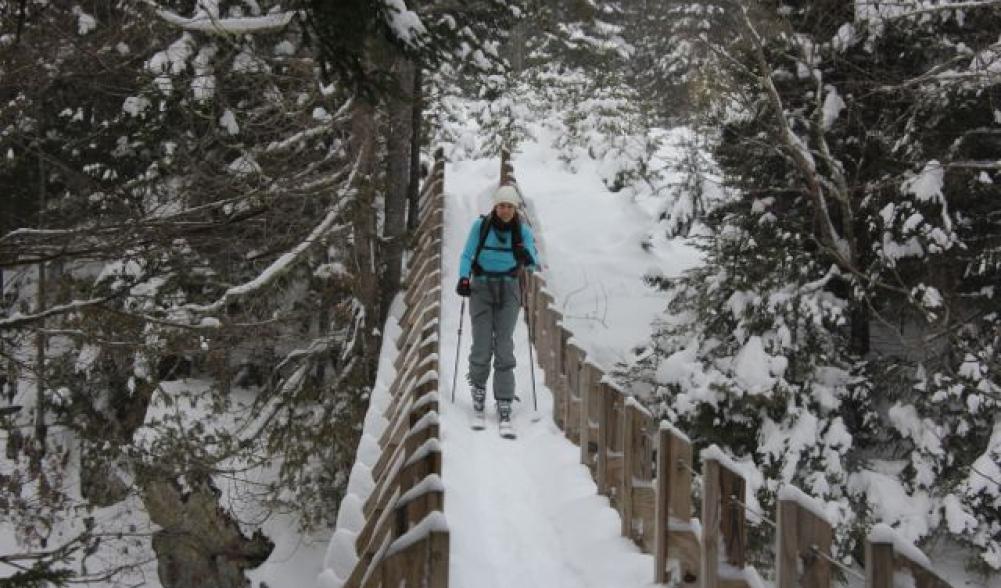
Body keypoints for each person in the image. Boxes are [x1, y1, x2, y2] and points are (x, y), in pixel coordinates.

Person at [455, 184, 539, 428]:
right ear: (495, 206)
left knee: (504, 344)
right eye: (501, 205)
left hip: (509, 288)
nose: (505, 210)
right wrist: (463, 277)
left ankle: (504, 399)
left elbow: (534, 262)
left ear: (515, 208)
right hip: (481, 287)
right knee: (481, 342)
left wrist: (526, 257)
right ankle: (479, 389)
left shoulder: (522, 232)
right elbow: (467, 255)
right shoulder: (480, 227)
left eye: (509, 206)